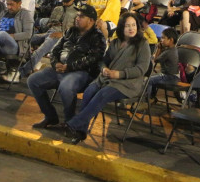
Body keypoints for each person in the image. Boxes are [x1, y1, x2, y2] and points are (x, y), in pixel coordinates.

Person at [63, 11, 151, 144]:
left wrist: (119, 74)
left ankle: (75, 124)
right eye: (128, 26)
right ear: (122, 27)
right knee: (88, 92)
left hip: (128, 83)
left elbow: (141, 69)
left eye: (133, 25)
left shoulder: (142, 44)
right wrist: (104, 68)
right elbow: (104, 60)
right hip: (108, 78)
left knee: (103, 94)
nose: (131, 28)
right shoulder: (116, 42)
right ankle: (81, 131)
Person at [27, 4, 106, 129]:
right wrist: (55, 63)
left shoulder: (97, 37)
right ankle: (50, 116)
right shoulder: (71, 31)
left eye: (81, 16)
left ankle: (70, 122)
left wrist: (69, 67)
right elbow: (55, 50)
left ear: (91, 20)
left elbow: (93, 59)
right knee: (33, 80)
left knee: (66, 87)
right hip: (60, 69)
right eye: (77, 16)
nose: (77, 18)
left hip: (81, 73)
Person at [143, 28, 180, 106]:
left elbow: (156, 60)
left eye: (163, 38)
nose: (161, 40)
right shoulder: (172, 49)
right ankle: (152, 97)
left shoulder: (169, 52)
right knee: (151, 77)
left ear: (171, 40)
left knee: (148, 80)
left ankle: (146, 100)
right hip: (170, 76)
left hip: (170, 77)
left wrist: (159, 48)